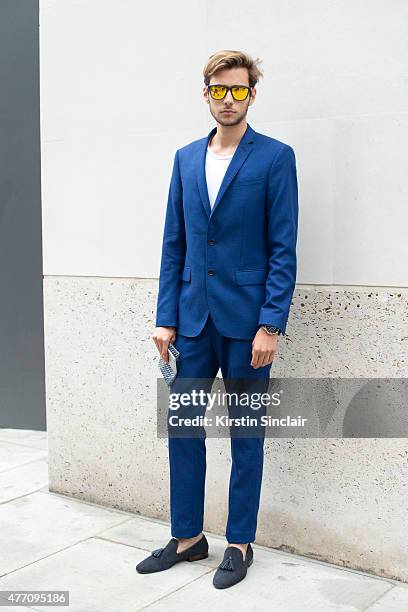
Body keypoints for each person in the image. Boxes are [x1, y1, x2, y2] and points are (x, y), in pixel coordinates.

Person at [136, 49, 298, 589]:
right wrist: (165, 317)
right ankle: (186, 537)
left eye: (239, 90)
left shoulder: (275, 157)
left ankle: (239, 542)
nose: (229, 100)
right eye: (219, 90)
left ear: (252, 94)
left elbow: (283, 247)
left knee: (246, 433)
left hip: (249, 323)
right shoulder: (185, 158)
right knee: (182, 427)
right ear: (205, 92)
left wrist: (271, 324)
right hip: (191, 321)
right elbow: (174, 243)